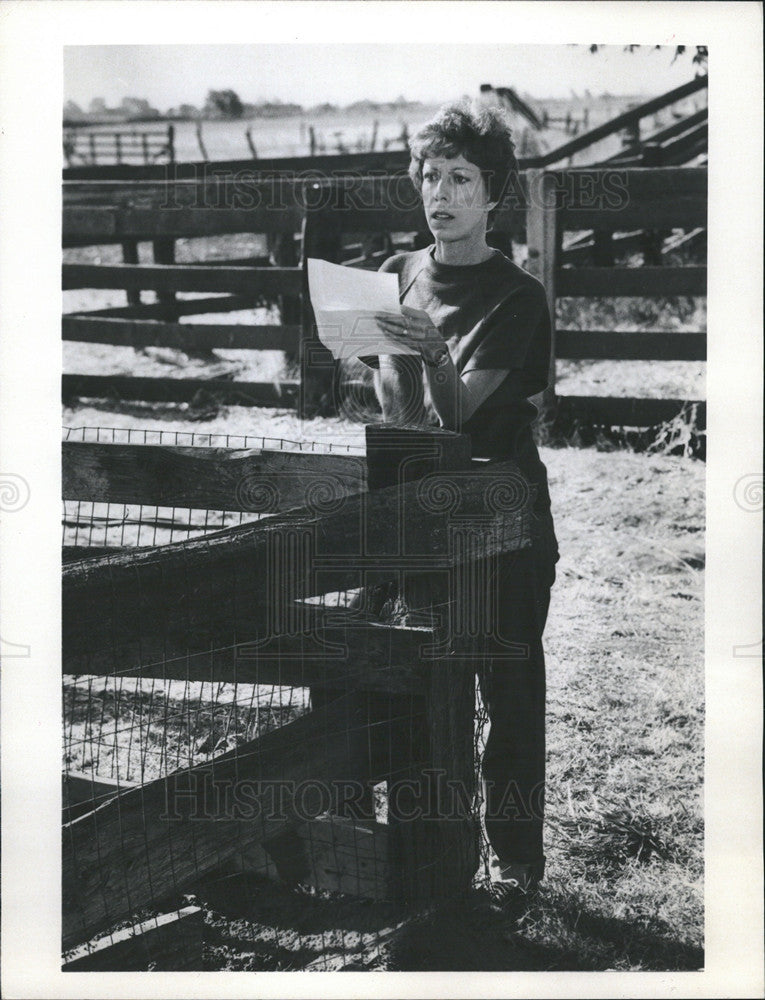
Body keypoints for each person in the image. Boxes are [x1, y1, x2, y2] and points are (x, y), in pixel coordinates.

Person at [362, 102, 559, 912]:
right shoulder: (397, 272)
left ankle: (515, 865)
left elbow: (453, 416)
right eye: (428, 175)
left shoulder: (517, 298)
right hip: (422, 517)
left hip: (504, 522)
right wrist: (386, 342)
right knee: (422, 687)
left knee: (505, 694)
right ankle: (432, 864)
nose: (438, 192)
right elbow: (388, 407)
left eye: (460, 178)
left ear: (493, 194)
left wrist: (398, 348)